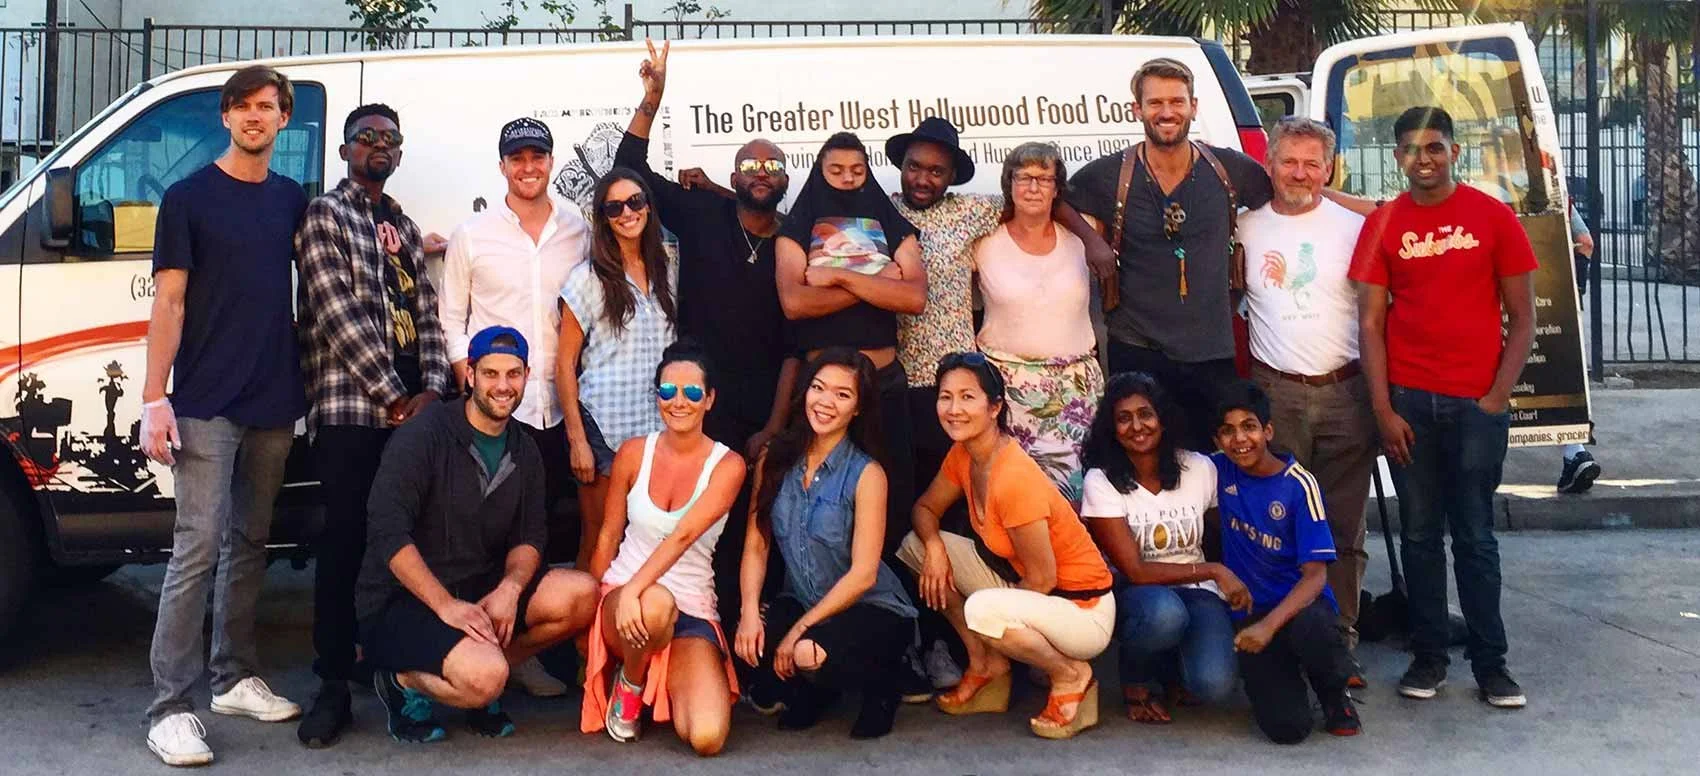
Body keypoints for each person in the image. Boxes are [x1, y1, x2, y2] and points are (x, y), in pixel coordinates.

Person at [139, 65, 308, 767]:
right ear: (226, 116)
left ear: (283, 120)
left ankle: (233, 677)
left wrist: (410, 250)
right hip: (205, 400)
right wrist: (155, 398)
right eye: (243, 105)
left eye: (268, 107)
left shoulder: (293, 199)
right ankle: (168, 710)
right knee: (197, 548)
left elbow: (330, 262)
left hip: (275, 396)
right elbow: (169, 303)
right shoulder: (186, 198)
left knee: (250, 542)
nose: (255, 116)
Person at [1350, 106, 1535, 709]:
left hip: (1476, 406)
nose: (1423, 158)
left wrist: (1496, 397)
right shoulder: (1384, 224)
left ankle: (1492, 665)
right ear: (1398, 156)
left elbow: (1524, 316)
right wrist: (1382, 407)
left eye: (1434, 147)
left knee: (1476, 538)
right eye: (1410, 148)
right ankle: (1429, 658)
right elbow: (1371, 322)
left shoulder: (1493, 216)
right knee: (1421, 536)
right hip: (1409, 405)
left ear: (1455, 152)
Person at [293, 102, 453, 747]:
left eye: (389, 138)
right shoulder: (324, 216)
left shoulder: (406, 229)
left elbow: (429, 312)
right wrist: (395, 397)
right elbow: (335, 312)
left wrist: (436, 389)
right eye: (366, 138)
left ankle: (387, 668)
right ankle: (332, 681)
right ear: (345, 150)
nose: (378, 146)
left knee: (403, 547)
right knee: (345, 544)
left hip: (413, 413)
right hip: (352, 410)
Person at [357, 327, 600, 744]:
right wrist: (445, 604)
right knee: (486, 678)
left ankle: (485, 671)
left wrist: (511, 587)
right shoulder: (423, 436)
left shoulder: (525, 449)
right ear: (469, 375)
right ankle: (401, 680)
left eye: (512, 374)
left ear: (526, 375)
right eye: (490, 374)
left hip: (478, 587)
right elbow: (387, 530)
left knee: (582, 594)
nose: (502, 386)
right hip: (403, 599)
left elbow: (530, 534)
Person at [897, 352, 1116, 740]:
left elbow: (1044, 577)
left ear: (995, 407)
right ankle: (986, 667)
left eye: (968, 397)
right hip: (1029, 586)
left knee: (984, 610)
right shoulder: (965, 453)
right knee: (916, 546)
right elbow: (925, 508)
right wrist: (933, 547)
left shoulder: (1012, 477)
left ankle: (1070, 674)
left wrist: (995, 622)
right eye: (945, 397)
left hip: (1083, 611)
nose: (953, 409)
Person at [1067, 57, 1275, 452]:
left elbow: (1291, 193)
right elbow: (1056, 198)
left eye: (1177, 102)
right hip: (1138, 348)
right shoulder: (1110, 175)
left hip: (1210, 351)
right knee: (1140, 460)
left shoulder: (1230, 169)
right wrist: (1091, 240)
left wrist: (1368, 207)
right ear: (1137, 110)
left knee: (1214, 466)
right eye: (1155, 103)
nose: (1167, 112)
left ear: (1193, 107)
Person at [1237, 117, 1375, 684]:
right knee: (1277, 525)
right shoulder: (1245, 229)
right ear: (1268, 164)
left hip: (1347, 391)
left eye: (1311, 163)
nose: (1298, 173)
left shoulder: (1354, 226)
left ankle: (1340, 642)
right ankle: (1283, 640)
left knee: (1343, 528)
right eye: (1288, 161)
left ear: (1329, 168)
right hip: (1278, 394)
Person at [735, 349, 920, 739]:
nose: (825, 402)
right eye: (819, 388)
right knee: (756, 638)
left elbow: (864, 575)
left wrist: (797, 631)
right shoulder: (775, 458)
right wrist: (749, 612)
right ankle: (818, 689)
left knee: (803, 651)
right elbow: (757, 543)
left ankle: (884, 683)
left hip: (871, 608)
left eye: (842, 394)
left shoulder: (867, 473)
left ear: (857, 408)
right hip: (802, 599)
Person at [440, 116, 593, 573]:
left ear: (550, 161)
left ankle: (551, 631)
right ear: (503, 166)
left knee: (556, 528)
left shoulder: (578, 231)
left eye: (537, 157)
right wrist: (471, 389)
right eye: (518, 158)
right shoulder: (472, 233)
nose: (529, 167)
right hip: (501, 407)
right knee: (494, 529)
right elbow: (451, 317)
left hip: (566, 409)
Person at [580, 342, 746, 755]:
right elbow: (607, 534)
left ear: (709, 400)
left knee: (707, 737)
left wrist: (640, 589)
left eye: (692, 393)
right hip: (626, 599)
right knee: (654, 604)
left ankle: (658, 670)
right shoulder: (635, 452)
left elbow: (685, 535)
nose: (678, 402)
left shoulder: (729, 465)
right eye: (667, 391)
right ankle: (632, 683)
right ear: (656, 396)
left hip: (689, 608)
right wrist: (597, 611)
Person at [777, 132, 925, 554]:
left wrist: (839, 277)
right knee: (822, 499)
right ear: (820, 171)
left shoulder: (889, 222)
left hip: (885, 384)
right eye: (836, 170)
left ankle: (888, 600)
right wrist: (879, 283)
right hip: (822, 391)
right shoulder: (798, 226)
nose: (847, 178)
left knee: (892, 496)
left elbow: (913, 297)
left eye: (857, 170)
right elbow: (795, 302)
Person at [1079, 372, 1246, 724]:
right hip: (1138, 594)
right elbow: (1136, 571)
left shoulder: (1199, 468)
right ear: (1111, 428)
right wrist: (1215, 571)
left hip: (1197, 593)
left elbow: (1222, 532)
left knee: (1213, 685)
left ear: (1163, 419)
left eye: (1146, 414)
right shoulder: (1102, 479)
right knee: (1165, 615)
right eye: (1123, 418)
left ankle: (1172, 669)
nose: (1137, 426)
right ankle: (1136, 679)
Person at [1210, 381, 1361, 743]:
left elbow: (1314, 578)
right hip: (1251, 614)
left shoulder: (1298, 485)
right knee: (1287, 729)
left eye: (1249, 427)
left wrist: (1270, 627)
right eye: (1228, 431)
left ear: (1268, 431)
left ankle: (1333, 691)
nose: (1239, 440)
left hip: (1298, 609)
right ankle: (1288, 678)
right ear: (1217, 441)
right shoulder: (1217, 470)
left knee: (1314, 630)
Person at [558, 168, 678, 572]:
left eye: (635, 202)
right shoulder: (587, 278)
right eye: (614, 207)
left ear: (648, 206)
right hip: (604, 429)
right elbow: (564, 365)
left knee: (646, 538)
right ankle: (582, 633)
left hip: (657, 430)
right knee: (599, 538)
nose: (627, 212)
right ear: (602, 217)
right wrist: (577, 439)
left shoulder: (668, 270)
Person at [974, 142, 1105, 501]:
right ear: (1009, 184)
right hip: (1008, 394)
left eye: (1044, 179)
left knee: (1079, 498)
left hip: (1075, 395)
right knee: (1016, 498)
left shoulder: (1085, 236)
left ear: (1057, 188)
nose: (1034, 187)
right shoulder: (983, 242)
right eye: (1024, 177)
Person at [1558, 201, 1601, 493]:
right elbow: (1585, 243)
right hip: (1556, 302)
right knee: (1557, 377)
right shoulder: (1555, 193)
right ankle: (1575, 452)